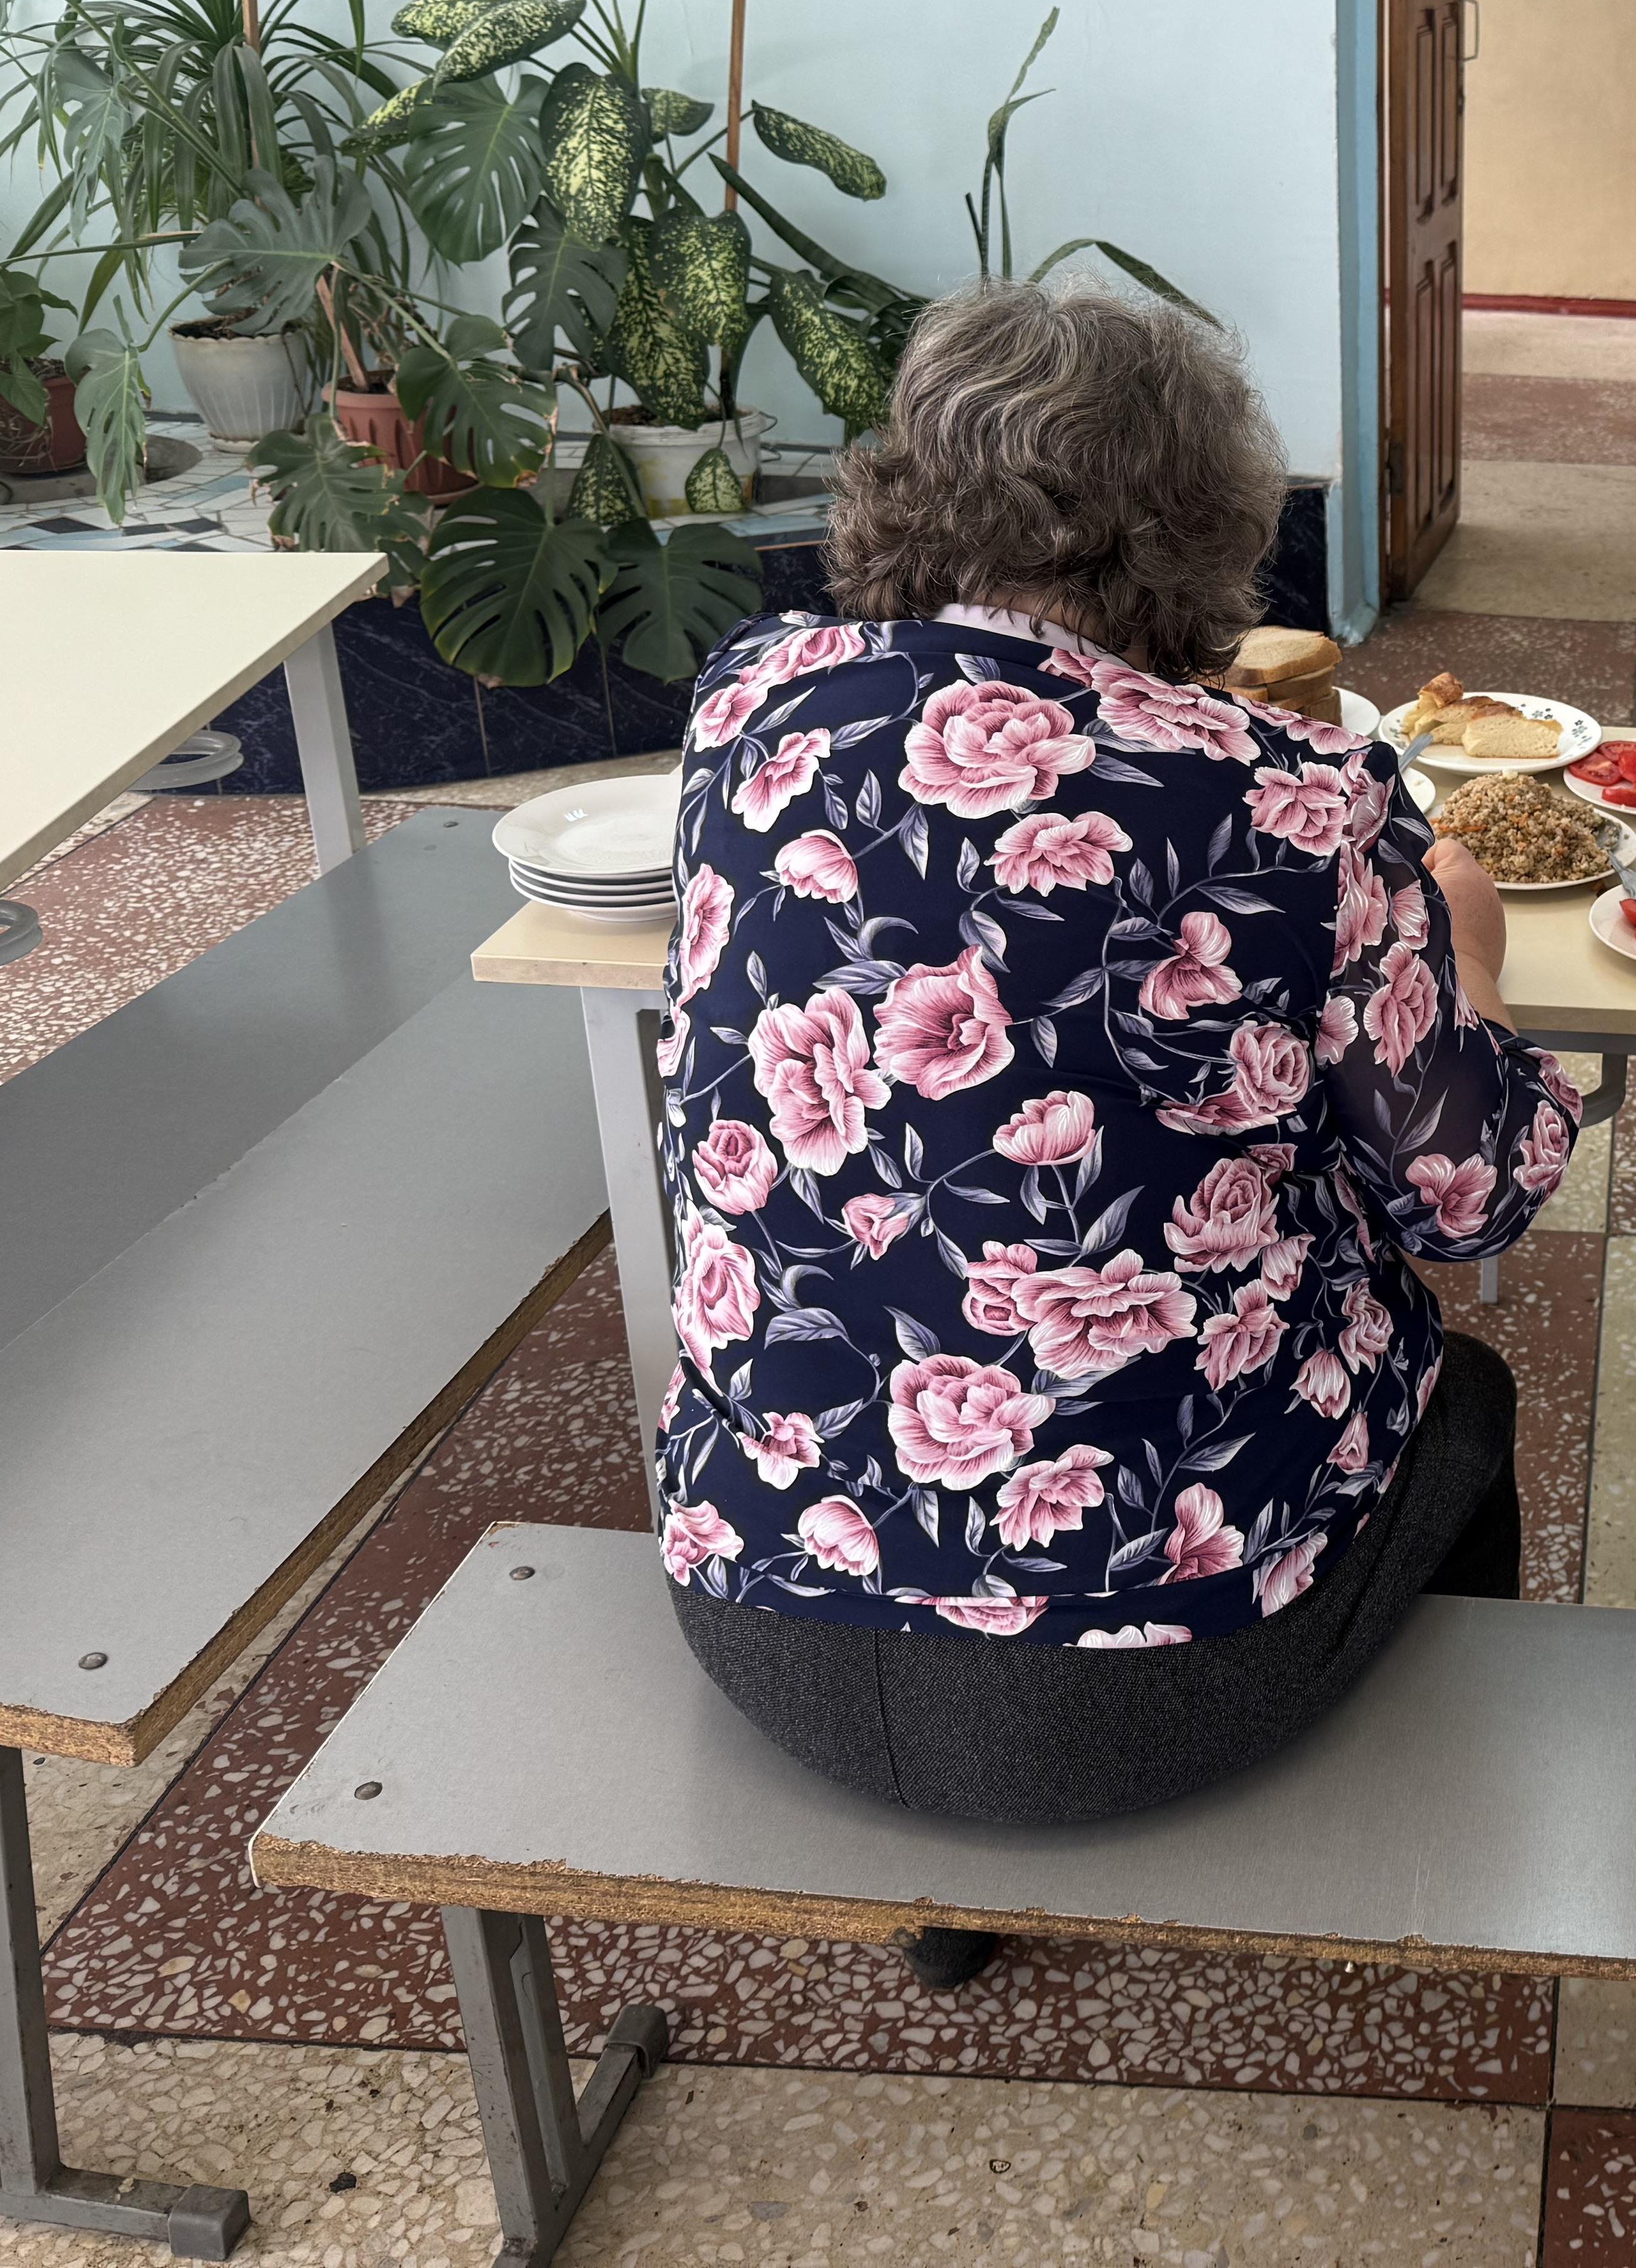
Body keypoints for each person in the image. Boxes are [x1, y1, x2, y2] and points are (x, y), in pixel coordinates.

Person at [655, 280, 1582, 1983]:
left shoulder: (749, 708)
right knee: (1465, 1392)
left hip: (757, 1604)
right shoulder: (1296, 804)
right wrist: (1474, 965)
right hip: (1148, 1678)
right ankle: (1433, 1898)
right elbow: (1470, 1198)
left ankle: (953, 1913)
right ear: (1203, 525)